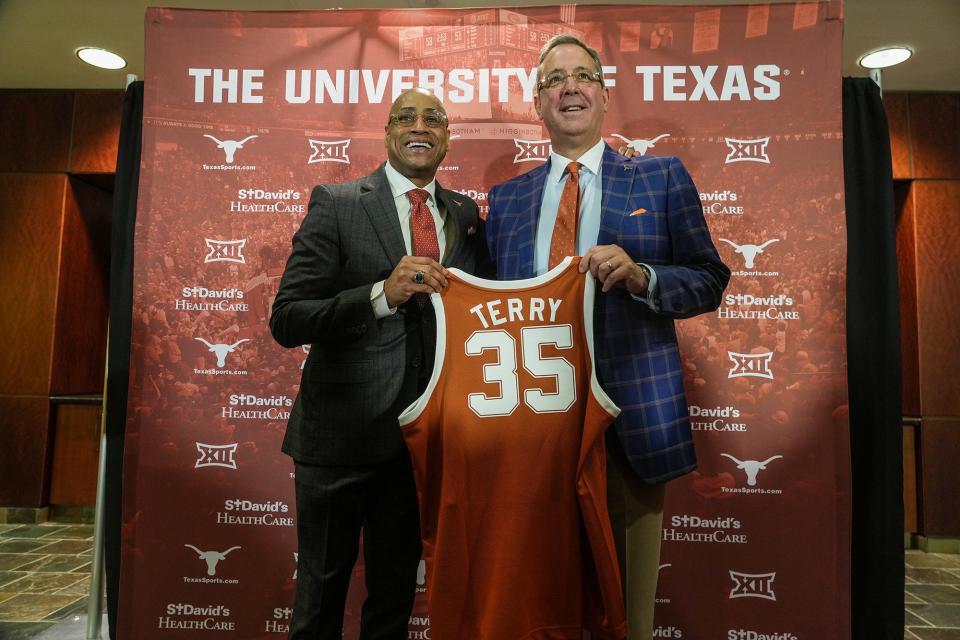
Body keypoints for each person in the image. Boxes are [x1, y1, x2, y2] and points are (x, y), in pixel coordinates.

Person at [485, 35, 730, 640]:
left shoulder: (660, 176)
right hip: (531, 425)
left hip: (632, 424)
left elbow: (709, 279)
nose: (569, 87)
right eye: (554, 80)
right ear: (538, 102)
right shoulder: (505, 200)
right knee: (539, 605)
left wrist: (644, 276)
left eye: (582, 76)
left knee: (627, 614)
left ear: (604, 93)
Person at [270, 87, 491, 640]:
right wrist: (379, 295)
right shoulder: (338, 201)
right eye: (406, 117)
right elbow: (288, 317)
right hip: (338, 439)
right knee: (319, 600)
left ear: (446, 138)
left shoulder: (463, 213)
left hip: (418, 440)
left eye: (434, 118)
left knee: (393, 601)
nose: (420, 126)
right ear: (388, 132)